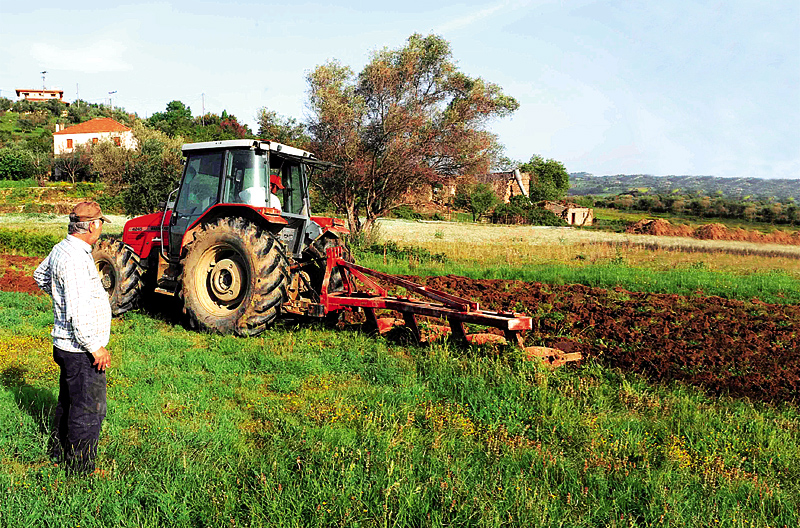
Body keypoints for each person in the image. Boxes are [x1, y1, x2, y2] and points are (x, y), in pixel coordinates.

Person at [33, 201, 112, 477]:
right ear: (92, 225)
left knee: (68, 401)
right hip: (80, 349)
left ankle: (58, 451)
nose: (100, 227)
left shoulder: (62, 249)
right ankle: (81, 469)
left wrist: (59, 296)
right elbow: (78, 311)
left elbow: (39, 275)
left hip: (64, 345)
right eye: (100, 223)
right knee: (88, 409)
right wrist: (95, 347)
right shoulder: (77, 259)